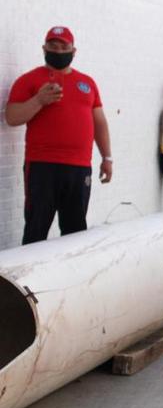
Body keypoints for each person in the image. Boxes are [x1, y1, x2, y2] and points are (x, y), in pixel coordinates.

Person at [5, 26, 113, 245]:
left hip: (80, 167)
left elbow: (99, 122)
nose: (59, 50)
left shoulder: (88, 83)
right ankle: (30, 278)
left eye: (64, 46)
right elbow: (12, 117)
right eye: (53, 46)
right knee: (37, 229)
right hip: (42, 166)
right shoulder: (29, 80)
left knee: (75, 232)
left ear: (74, 51)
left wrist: (107, 157)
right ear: (44, 48)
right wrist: (38, 100)